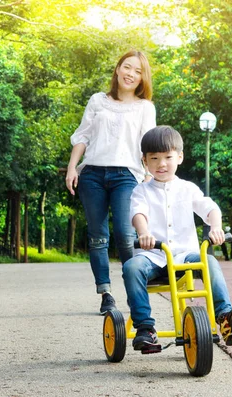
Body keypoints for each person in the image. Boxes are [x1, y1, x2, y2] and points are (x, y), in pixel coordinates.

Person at [123, 125, 232, 350]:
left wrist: (215, 227)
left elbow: (209, 208)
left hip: (185, 257)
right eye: (154, 158)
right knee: (131, 267)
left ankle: (224, 316)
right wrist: (144, 233)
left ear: (180, 157)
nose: (161, 164)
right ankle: (145, 328)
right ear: (144, 160)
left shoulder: (188, 189)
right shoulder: (141, 191)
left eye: (168, 157)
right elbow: (139, 213)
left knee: (209, 261)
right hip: (154, 256)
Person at [65, 50, 156, 315]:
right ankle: (105, 293)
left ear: (142, 78)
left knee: (126, 236)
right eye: (127, 67)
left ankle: (134, 291)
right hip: (92, 174)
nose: (131, 74)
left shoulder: (144, 107)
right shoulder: (98, 101)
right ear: (117, 69)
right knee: (97, 238)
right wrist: (72, 168)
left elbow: (148, 143)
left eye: (138, 71)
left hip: (127, 176)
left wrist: (149, 176)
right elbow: (82, 135)